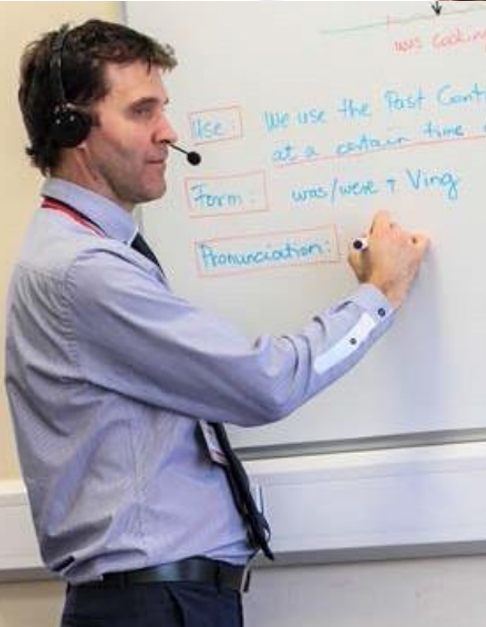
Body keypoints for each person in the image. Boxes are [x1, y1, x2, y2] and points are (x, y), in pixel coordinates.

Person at [5, 19, 429, 627]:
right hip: (151, 606)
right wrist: (380, 294)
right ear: (73, 129)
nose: (168, 131)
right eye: (142, 111)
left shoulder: (86, 253)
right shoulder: (84, 271)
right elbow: (264, 384)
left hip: (161, 601)